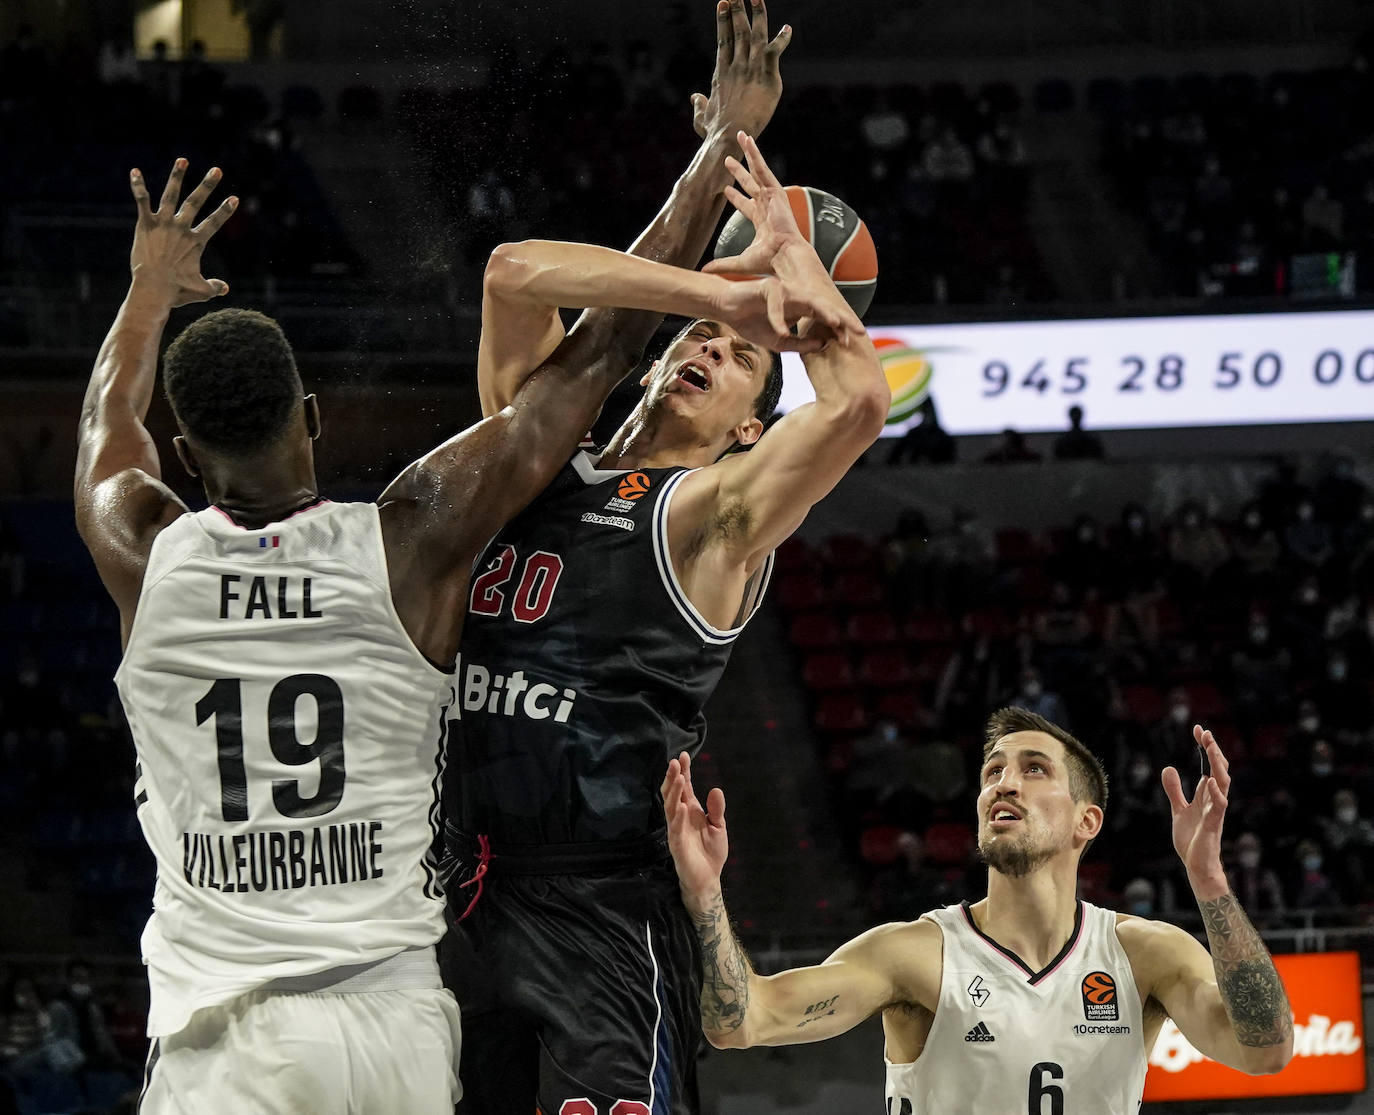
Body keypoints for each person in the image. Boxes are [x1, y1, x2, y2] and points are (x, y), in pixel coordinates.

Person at [72, 144, 827, 1111]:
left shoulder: (145, 558)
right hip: (397, 1019)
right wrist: (715, 169)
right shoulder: (406, 539)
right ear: (311, 419)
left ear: (182, 457)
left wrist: (146, 292)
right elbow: (591, 360)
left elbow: (105, 425)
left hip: (226, 1029)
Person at [444, 106, 885, 1115]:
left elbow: (857, 403)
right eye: (695, 337)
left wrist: (795, 272)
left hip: (603, 906)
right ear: (647, 356)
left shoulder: (716, 514)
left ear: (750, 427)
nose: (711, 349)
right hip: (460, 894)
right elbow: (513, 271)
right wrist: (715, 288)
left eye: (740, 359)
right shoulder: (532, 450)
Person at [662, 710, 1294, 1111]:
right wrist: (705, 895)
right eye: (993, 771)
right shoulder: (914, 954)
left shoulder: (1145, 955)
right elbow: (742, 1022)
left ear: (1087, 821)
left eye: (1034, 768)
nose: (1003, 783)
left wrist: (1208, 879)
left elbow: (1265, 1050)